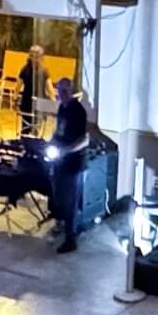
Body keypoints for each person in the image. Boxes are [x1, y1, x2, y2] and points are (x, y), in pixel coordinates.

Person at [48, 78, 89, 255]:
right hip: (61, 161)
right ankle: (61, 224)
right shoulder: (62, 108)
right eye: (59, 91)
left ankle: (70, 239)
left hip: (74, 163)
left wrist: (67, 150)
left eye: (65, 91)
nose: (61, 95)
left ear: (71, 91)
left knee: (70, 200)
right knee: (59, 195)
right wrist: (50, 143)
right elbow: (59, 132)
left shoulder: (78, 111)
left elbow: (85, 139)